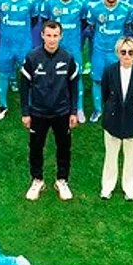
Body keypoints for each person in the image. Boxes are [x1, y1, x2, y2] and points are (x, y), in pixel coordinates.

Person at [20, 21, 81, 202]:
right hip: (38, 113)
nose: (52, 39)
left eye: (55, 36)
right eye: (48, 35)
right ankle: (37, 180)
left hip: (62, 112)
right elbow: (24, 88)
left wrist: (73, 112)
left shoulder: (68, 58)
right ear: (42, 36)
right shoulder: (32, 57)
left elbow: (74, 87)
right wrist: (25, 113)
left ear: (61, 36)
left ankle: (62, 180)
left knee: (64, 147)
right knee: (36, 147)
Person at [100, 37, 133, 202]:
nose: (127, 56)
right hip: (112, 121)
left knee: (130, 158)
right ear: (117, 53)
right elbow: (105, 94)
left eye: (131, 52)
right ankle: (107, 187)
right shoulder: (109, 71)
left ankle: (129, 189)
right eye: (123, 52)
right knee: (110, 157)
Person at [0, 0, 37, 119]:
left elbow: (34, 20)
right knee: (3, 74)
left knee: (28, 75)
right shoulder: (0, 0)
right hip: (6, 46)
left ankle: (30, 105)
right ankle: (3, 105)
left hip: (24, 46)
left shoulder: (30, 1)